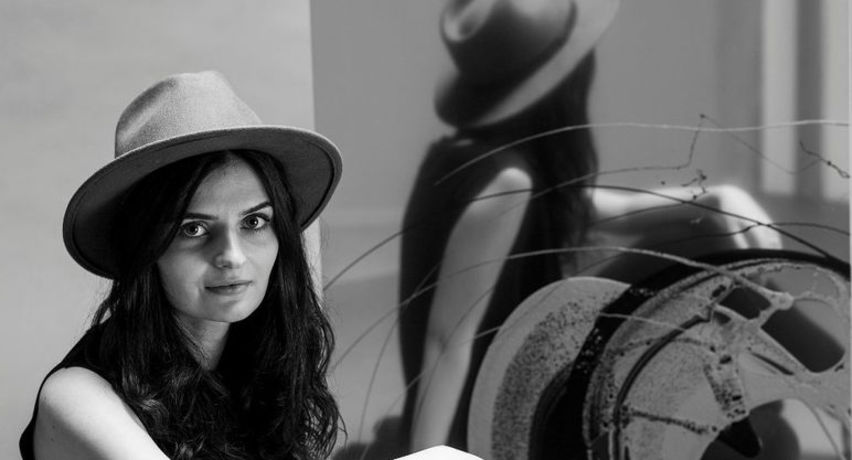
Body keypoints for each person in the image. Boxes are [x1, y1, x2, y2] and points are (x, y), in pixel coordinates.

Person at [398, 0, 782, 452]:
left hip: (519, 382)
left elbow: (602, 210)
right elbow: (445, 340)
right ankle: (829, 383)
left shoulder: (464, 158)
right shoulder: (507, 182)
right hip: (505, 419)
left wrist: (715, 199)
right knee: (705, 253)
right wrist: (426, 451)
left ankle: (820, 385)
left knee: (701, 236)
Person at [20, 71, 343, 459]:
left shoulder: (257, 366)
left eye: (254, 221)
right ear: (147, 247)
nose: (233, 256)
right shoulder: (78, 396)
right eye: (193, 229)